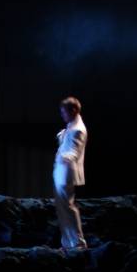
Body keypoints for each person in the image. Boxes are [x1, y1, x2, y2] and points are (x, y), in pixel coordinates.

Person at [53, 96, 88, 250]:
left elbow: (74, 152)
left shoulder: (78, 129)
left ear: (73, 110)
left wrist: (63, 156)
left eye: (64, 112)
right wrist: (62, 137)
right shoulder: (71, 126)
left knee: (68, 208)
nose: (62, 115)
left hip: (66, 172)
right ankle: (68, 243)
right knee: (62, 210)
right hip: (61, 171)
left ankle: (78, 242)